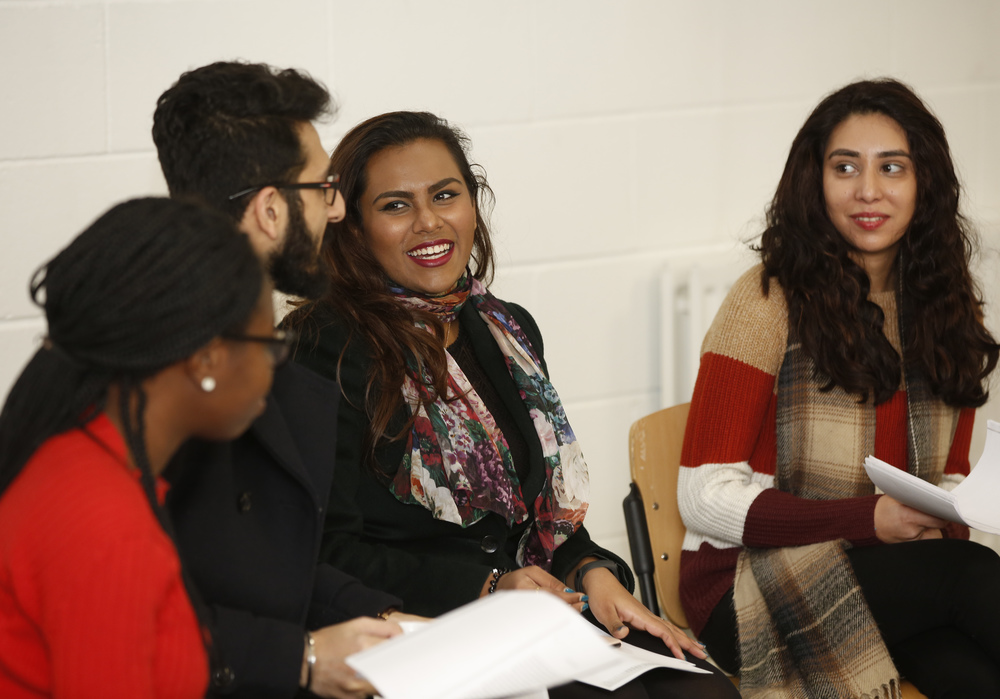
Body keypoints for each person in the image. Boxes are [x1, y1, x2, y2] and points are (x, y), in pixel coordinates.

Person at [286, 110, 741, 699]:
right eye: (395, 206)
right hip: (419, 625)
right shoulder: (324, 349)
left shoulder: (506, 332)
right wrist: (489, 586)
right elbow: (328, 553)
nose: (429, 223)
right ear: (353, 227)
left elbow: (539, 519)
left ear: (473, 207)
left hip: (536, 610)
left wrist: (594, 572)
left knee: (703, 691)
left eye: (445, 196)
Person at [678, 78, 1000, 698]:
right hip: (749, 583)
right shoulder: (766, 300)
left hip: (894, 575)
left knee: (978, 677)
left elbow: (952, 477)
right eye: (845, 167)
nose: (868, 191)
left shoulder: (949, 308)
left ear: (924, 182)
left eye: (892, 168)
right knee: (973, 579)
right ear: (814, 181)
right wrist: (869, 519)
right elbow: (702, 495)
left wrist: (948, 514)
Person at [152, 61, 406, 699]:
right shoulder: (171, 379)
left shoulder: (252, 346)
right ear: (270, 211)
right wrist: (307, 658)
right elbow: (140, 613)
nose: (340, 207)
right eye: (324, 187)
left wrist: (384, 619)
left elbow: (273, 565)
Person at [0, 197, 272, 698]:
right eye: (269, 346)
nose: (273, 371)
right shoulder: (109, 530)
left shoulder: (71, 455)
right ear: (208, 360)